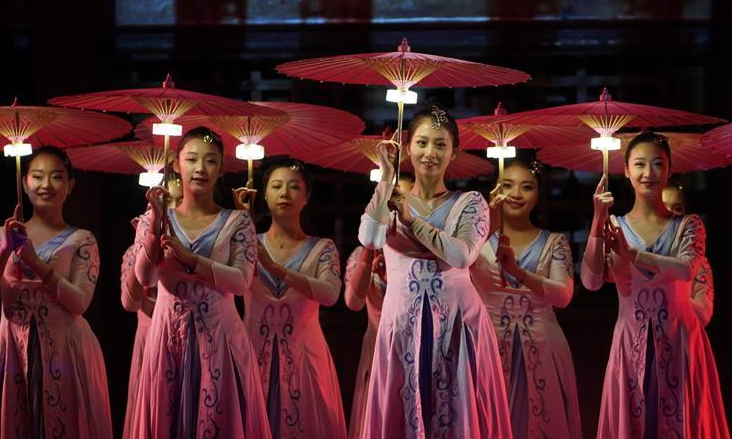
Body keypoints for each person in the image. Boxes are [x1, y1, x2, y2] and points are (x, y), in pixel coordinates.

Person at [359, 105, 512, 439]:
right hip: (402, 324)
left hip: (458, 323)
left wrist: (411, 222)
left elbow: (462, 255)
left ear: (454, 152)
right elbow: (369, 239)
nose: (430, 152)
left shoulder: (470, 202)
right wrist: (385, 177)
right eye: (422, 142)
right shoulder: (388, 199)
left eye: (441, 144)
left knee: (458, 413)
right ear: (407, 147)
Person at [581, 132, 729, 438]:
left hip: (680, 340)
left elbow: (687, 269)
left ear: (670, 169)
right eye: (639, 164)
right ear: (626, 170)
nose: (648, 173)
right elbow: (591, 281)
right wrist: (597, 221)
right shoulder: (613, 225)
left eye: (658, 163)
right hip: (630, 341)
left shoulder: (688, 225)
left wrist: (633, 254)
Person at [131, 127, 271, 439]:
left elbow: (241, 282)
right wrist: (155, 226)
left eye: (210, 161)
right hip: (167, 335)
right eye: (192, 159)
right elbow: (145, 278)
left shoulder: (238, 221)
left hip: (220, 336)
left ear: (221, 169)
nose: (200, 168)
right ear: (176, 164)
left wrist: (192, 259)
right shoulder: (154, 219)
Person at [0, 146, 113, 438]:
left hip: (65, 347)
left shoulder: (82, 239)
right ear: (24, 182)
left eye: (57, 177)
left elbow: (80, 303)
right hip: (14, 346)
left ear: (70, 185)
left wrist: (35, 263)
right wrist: (5, 252)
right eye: (37, 176)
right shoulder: (4, 236)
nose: (46, 185)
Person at [470, 157, 582, 439]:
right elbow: (456, 274)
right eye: (507, 185)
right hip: (489, 346)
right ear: (495, 190)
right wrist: (487, 226)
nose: (516, 194)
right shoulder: (474, 241)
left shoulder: (554, 242)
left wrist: (518, 272)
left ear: (538, 193)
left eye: (527, 187)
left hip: (544, 346)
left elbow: (563, 295)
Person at [245, 160, 347, 439]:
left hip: (305, 358)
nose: (284, 194)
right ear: (264, 194)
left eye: (294, 187)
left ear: (307, 196)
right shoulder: (248, 244)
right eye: (276, 186)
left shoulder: (322, 248)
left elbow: (330, 294)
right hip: (253, 351)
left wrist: (277, 269)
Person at [344, 173, 414, 439]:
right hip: (378, 347)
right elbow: (352, 302)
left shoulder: (423, 253)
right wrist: (367, 258)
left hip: (414, 344)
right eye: (390, 201)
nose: (396, 206)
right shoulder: (364, 253)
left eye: (404, 199)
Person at [120, 177, 182, 439]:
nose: (172, 210)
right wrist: (142, 247)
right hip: (151, 342)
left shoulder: (190, 253)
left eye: (179, 201)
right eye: (166, 202)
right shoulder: (133, 253)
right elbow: (130, 302)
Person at [662, 182, 714, 326]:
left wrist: (668, 293)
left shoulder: (698, 261)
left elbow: (704, 314)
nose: (671, 213)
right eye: (662, 207)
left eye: (677, 208)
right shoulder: (637, 249)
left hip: (683, 335)